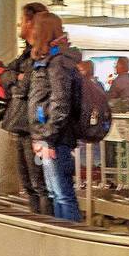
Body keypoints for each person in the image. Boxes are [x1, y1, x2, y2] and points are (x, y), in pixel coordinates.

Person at [27, 12, 83, 222]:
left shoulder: (57, 62)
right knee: (55, 193)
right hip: (47, 137)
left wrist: (48, 137)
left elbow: (60, 101)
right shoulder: (48, 60)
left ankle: (73, 240)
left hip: (55, 139)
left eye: (34, 27)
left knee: (62, 194)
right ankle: (64, 237)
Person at [3, 2, 52, 215]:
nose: (19, 25)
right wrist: (16, 79)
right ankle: (35, 224)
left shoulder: (45, 54)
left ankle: (47, 228)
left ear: (31, 22)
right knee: (29, 184)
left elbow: (26, 88)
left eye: (22, 21)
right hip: (21, 124)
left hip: (37, 129)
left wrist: (18, 81)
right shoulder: (26, 55)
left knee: (41, 184)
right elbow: (6, 75)